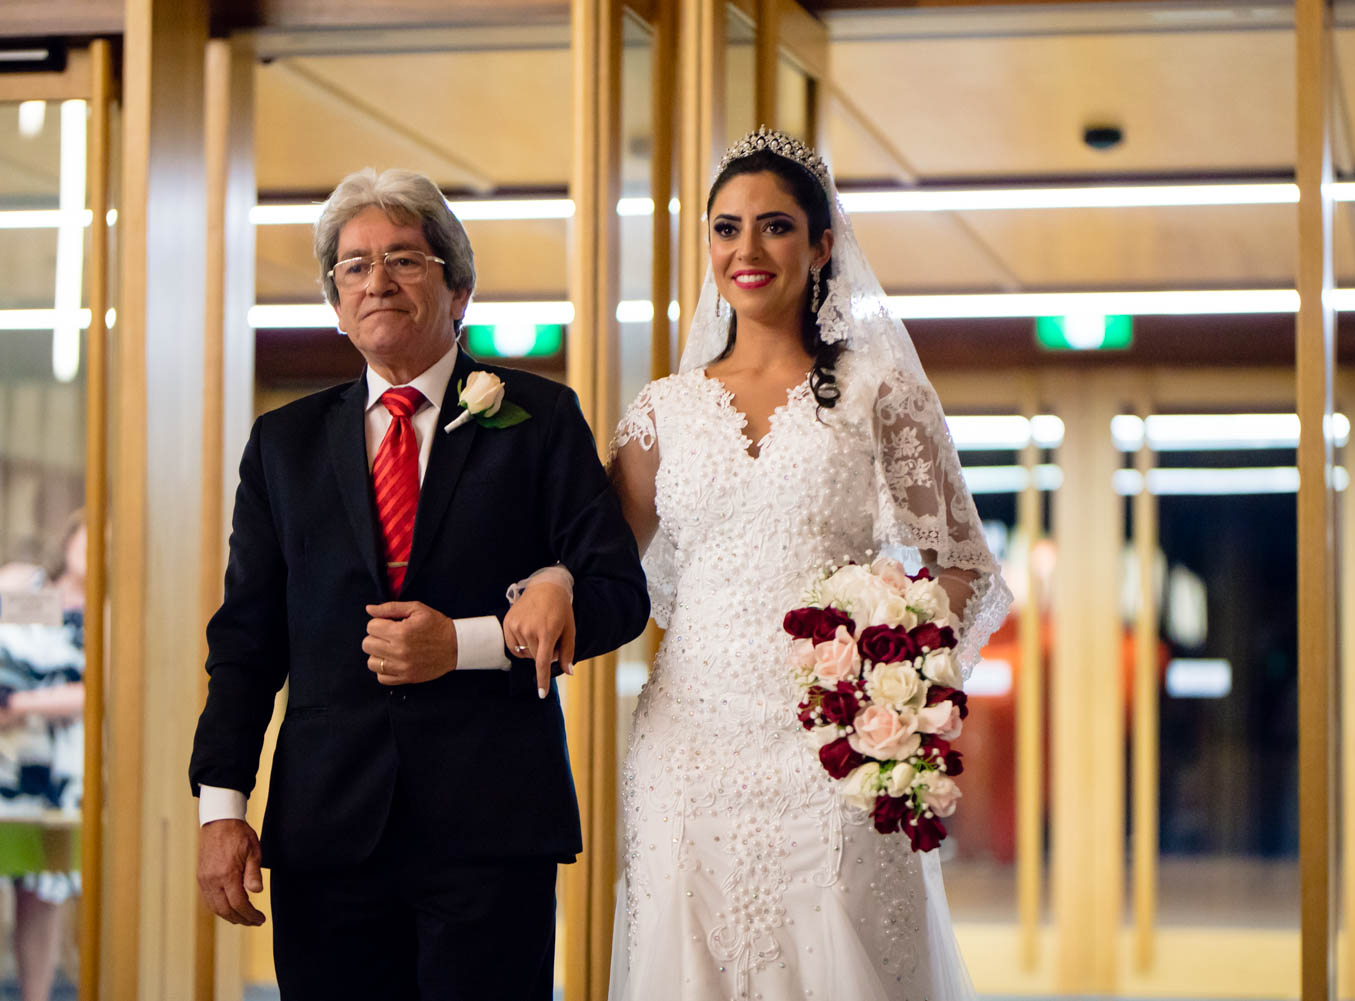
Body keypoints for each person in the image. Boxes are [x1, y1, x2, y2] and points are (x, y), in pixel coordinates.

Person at [188, 168, 649, 1001]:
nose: (377, 280)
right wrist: (221, 806)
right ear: (336, 304)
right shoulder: (283, 444)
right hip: (327, 828)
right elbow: (247, 638)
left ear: (458, 288)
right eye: (354, 266)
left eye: (403, 259)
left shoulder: (541, 420)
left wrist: (465, 644)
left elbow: (617, 592)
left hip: (492, 824)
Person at [607, 127, 1012, 1000]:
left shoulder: (879, 394)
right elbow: (600, 565)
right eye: (726, 228)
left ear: (823, 246)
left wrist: (891, 663)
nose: (746, 250)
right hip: (688, 748)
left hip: (830, 748)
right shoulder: (663, 411)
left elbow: (964, 567)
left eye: (776, 227)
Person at [0, 515, 87, 1001]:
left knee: (40, 894)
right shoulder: (31, 590)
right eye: (88, 533)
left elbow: (95, 692)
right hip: (4, 761)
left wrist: (16, 704)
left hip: (53, 770)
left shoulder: (107, 612)